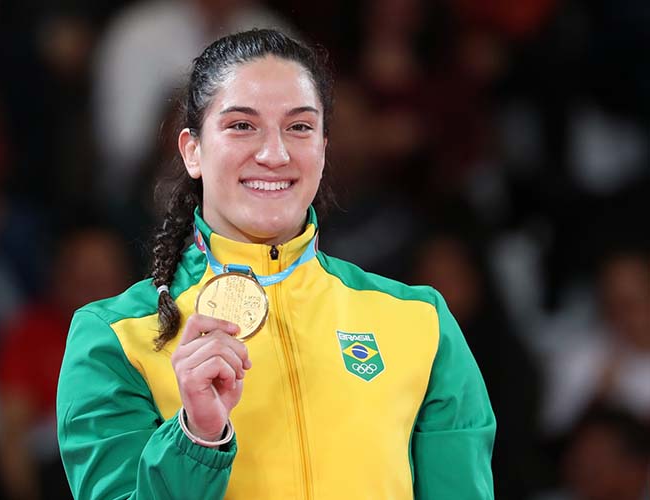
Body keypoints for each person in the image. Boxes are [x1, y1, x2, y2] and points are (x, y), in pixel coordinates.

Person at [57, 29, 495, 499]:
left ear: (323, 149)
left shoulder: (421, 323)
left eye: (299, 127)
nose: (274, 154)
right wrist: (195, 437)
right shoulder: (113, 339)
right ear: (192, 151)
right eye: (241, 126)